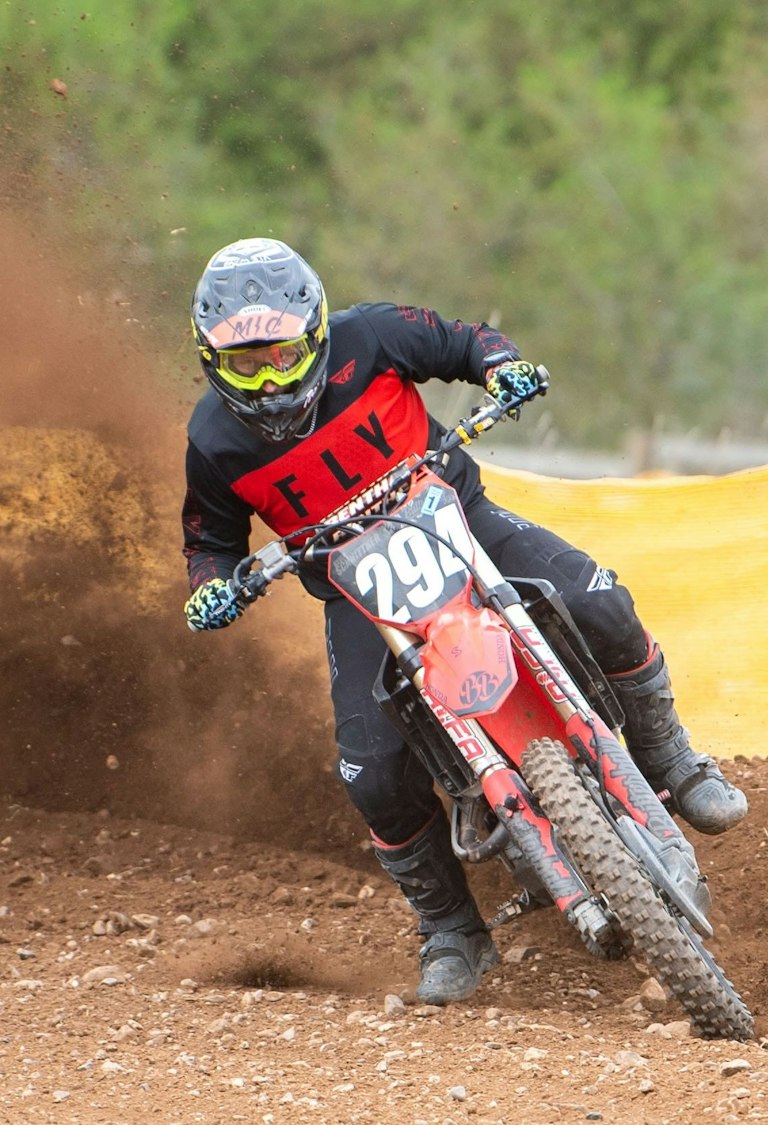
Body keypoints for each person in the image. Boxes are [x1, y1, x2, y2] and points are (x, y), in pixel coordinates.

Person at [177, 237, 747, 1004]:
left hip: (460, 521)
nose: (270, 379)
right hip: (359, 594)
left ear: (315, 333)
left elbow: (463, 341)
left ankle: (673, 760)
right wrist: (212, 585)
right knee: (372, 775)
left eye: (281, 354)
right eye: (245, 364)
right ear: (210, 358)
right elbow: (209, 539)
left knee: (601, 603)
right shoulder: (212, 440)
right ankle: (451, 930)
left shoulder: (369, 335)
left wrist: (504, 366)